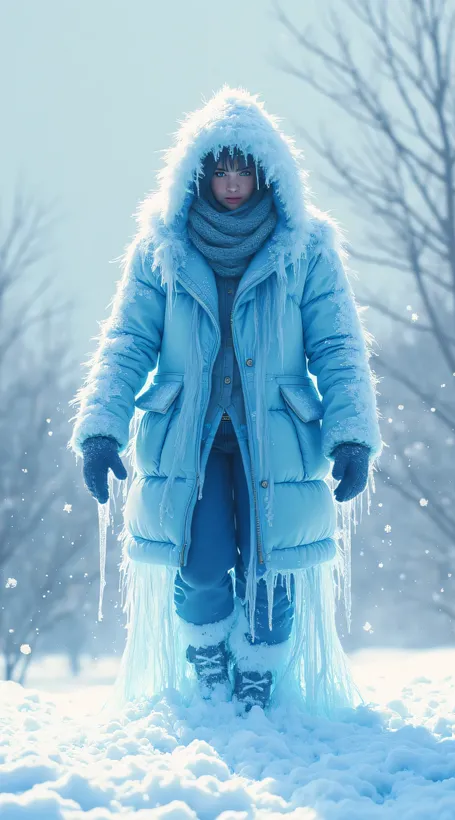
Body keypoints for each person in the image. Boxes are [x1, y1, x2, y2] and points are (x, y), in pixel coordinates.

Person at [69, 86, 382, 714]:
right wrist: (102, 427)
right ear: (200, 175)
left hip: (281, 440)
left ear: (267, 174)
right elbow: (129, 341)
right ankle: (208, 657)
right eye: (221, 169)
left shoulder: (307, 251)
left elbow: (339, 346)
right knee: (203, 563)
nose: (233, 182)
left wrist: (352, 436)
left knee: (273, 576)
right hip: (192, 436)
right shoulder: (162, 251)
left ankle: (260, 673)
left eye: (245, 168)